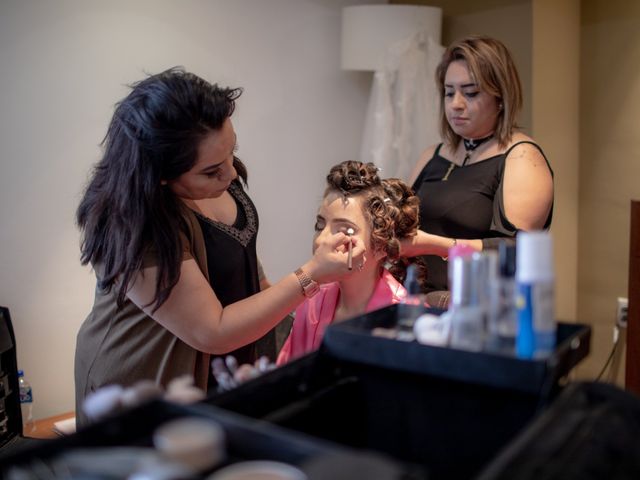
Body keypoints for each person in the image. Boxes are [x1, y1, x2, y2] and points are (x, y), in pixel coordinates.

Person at [74, 67, 364, 425]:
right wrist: (312, 275)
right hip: (143, 383)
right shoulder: (132, 223)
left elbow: (246, 273)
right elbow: (212, 331)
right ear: (160, 175)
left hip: (221, 372)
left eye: (232, 153)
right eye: (212, 171)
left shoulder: (219, 174)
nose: (230, 175)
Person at [403, 35, 554, 299]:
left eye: (470, 93)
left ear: (501, 97)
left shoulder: (522, 158)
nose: (455, 104)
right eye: (449, 92)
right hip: (417, 301)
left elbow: (516, 250)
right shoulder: (433, 155)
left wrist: (434, 245)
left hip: (480, 310)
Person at [277, 161, 426, 365]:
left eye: (344, 231)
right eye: (320, 226)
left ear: (382, 245)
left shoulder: (406, 319)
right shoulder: (311, 301)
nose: (321, 240)